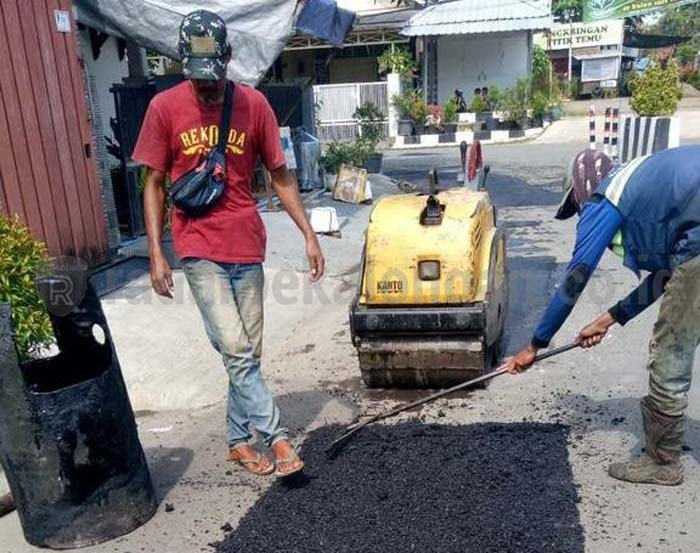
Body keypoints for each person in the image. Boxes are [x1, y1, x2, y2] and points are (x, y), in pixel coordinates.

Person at [132, 10, 325, 478]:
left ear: (228, 60)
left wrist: (309, 232)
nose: (208, 90)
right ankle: (276, 438)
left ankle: (239, 441)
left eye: (214, 81)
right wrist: (157, 253)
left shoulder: (254, 105)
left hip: (246, 245)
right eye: (200, 84)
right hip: (197, 246)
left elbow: (279, 176)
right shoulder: (164, 109)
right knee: (236, 350)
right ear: (184, 68)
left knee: (246, 354)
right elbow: (153, 183)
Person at [505, 147, 700, 486]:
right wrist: (606, 319)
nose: (581, 212)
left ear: (583, 187)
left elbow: (575, 278)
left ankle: (663, 462)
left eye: (577, 205)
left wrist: (535, 345)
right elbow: (665, 277)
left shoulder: (604, 198)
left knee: (671, 347)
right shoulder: (642, 189)